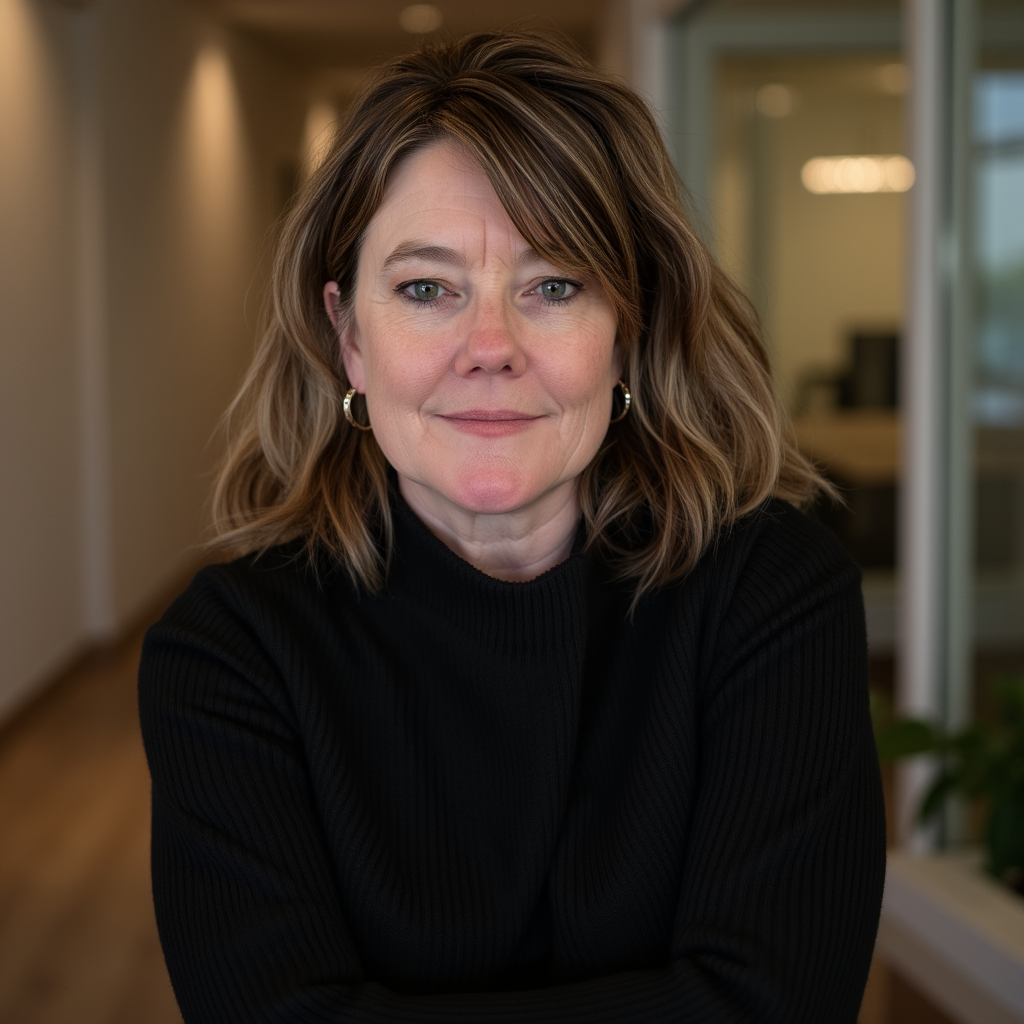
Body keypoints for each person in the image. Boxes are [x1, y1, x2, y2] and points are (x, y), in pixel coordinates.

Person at [138, 31, 885, 1024]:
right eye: (425, 289)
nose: (488, 348)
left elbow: (778, 1004)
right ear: (348, 336)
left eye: (553, 286)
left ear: (630, 325)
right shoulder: (231, 653)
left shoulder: (772, 595)